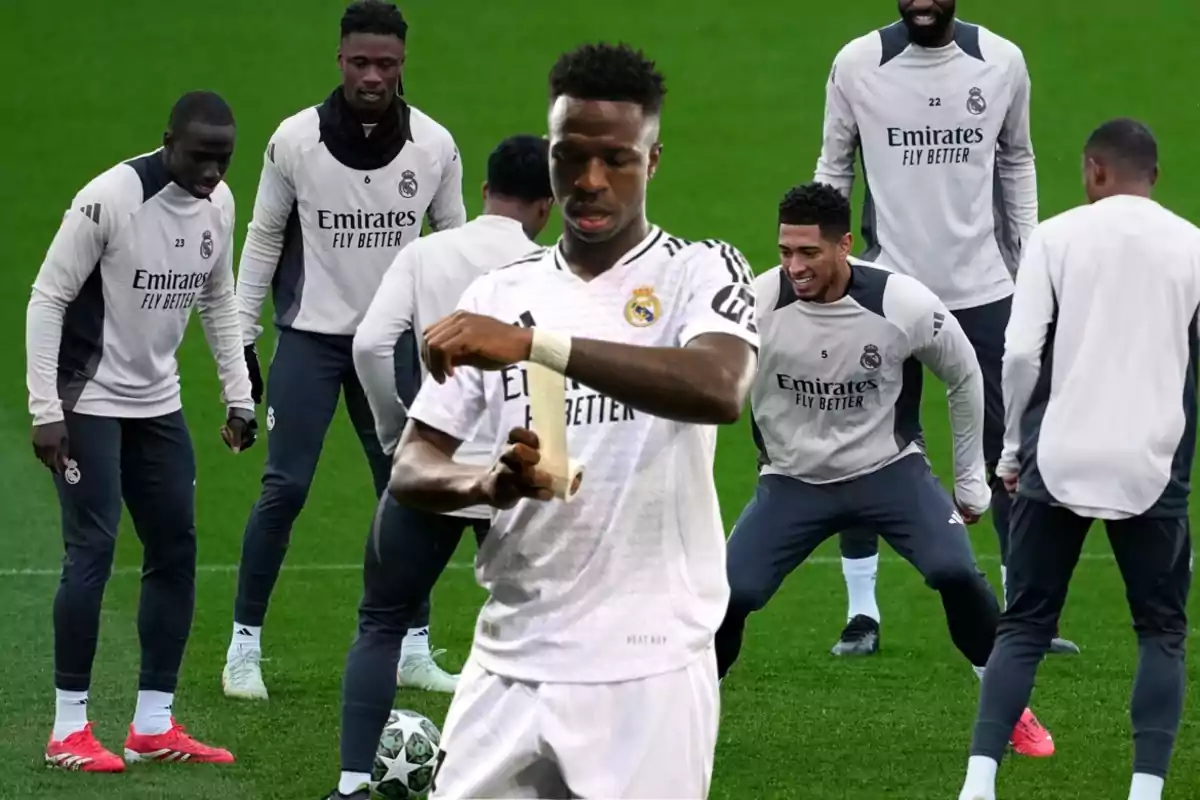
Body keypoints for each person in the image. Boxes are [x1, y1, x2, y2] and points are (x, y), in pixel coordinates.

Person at [389, 42, 759, 799]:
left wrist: (536, 346)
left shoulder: (700, 270)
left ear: (653, 161)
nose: (591, 182)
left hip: (647, 665)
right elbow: (411, 466)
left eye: (617, 159)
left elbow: (720, 387)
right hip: (509, 656)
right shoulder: (497, 292)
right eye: (571, 158)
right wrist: (487, 483)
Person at [715, 181, 1053, 759]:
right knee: (728, 594)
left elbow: (966, 373)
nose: (794, 266)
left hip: (887, 472)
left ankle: (1009, 708)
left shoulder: (903, 304)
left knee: (955, 572)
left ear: (845, 245)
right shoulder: (754, 305)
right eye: (785, 251)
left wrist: (971, 477)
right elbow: (706, 385)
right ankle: (690, 711)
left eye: (809, 253)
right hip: (793, 482)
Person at [813, 0, 1078, 656]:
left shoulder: (1001, 63)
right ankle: (862, 614)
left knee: (1008, 446)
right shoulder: (857, 64)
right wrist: (829, 263)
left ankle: (1021, 614)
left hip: (985, 288)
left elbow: (1017, 160)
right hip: (886, 288)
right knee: (862, 441)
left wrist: (1030, 259)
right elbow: (833, 168)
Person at [223, 0, 467, 701]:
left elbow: (456, 245)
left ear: (403, 64)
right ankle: (244, 647)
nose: (371, 76)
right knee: (285, 487)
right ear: (339, 59)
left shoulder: (434, 147)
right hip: (311, 339)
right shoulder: (294, 142)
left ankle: (413, 647)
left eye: (385, 64)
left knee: (407, 489)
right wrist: (242, 342)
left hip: (392, 345)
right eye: (360, 62)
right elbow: (265, 240)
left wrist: (457, 339)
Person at [958, 120, 1196, 800]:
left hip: (1056, 458)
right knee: (1160, 632)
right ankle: (1144, 792)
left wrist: (1010, 452)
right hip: (1152, 468)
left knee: (1025, 625)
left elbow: (1023, 352)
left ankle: (979, 783)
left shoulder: (1054, 237)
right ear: (1155, 174)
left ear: (1094, 170)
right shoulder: (1192, 245)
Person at [25, 91, 255, 772]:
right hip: (88, 400)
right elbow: (48, 296)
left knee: (175, 551)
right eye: (200, 156)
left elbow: (219, 296)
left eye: (223, 158)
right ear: (167, 142)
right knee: (91, 554)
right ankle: (69, 729)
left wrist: (238, 395)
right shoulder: (109, 199)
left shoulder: (219, 205)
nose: (213, 171)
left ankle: (152, 724)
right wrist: (46, 409)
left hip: (158, 405)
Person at [326, 134, 554, 800]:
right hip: (516, 475)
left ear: (484, 192)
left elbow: (370, 345)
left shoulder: (426, 253)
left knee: (381, 621)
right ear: (546, 205)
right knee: (539, 633)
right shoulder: (549, 269)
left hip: (433, 472)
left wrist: (401, 431)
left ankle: (349, 786)